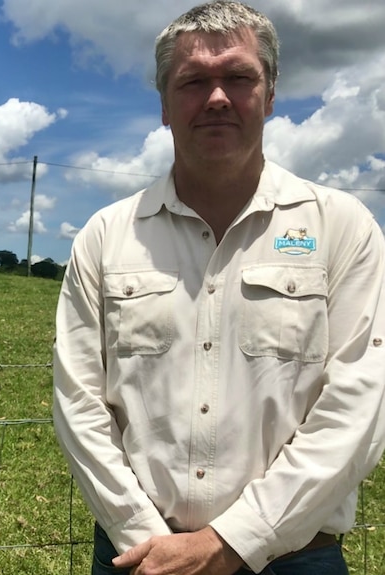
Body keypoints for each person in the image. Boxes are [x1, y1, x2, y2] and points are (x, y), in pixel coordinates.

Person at [52, 2, 385, 574]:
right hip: (139, 554)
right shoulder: (105, 237)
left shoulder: (342, 227)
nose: (216, 97)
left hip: (292, 558)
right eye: (193, 81)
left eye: (238, 77)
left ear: (272, 93)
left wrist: (231, 542)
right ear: (162, 104)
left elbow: (359, 404)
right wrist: (151, 543)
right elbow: (79, 402)